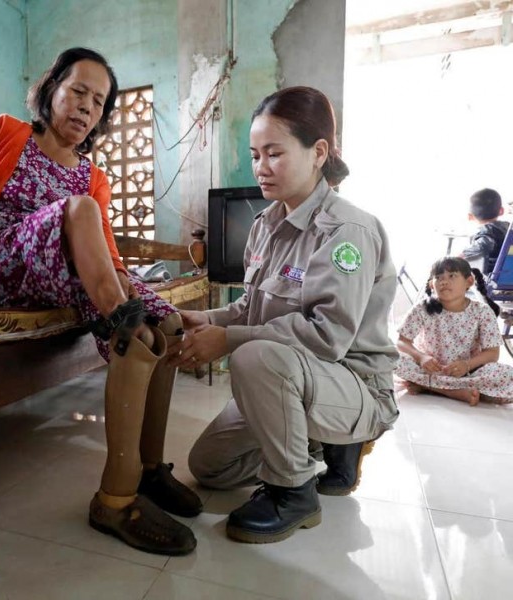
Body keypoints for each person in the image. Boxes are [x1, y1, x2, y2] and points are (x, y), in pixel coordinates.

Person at [0, 48, 200, 556]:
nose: (86, 107)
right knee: (90, 231)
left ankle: (143, 473)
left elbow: (107, 254)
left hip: (64, 272)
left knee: (168, 326)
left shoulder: (93, 176)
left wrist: (130, 287)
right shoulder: (5, 132)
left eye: (98, 101)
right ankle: (116, 496)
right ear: (51, 91)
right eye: (78, 91)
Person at [167, 86, 399, 544]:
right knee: (210, 467)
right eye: (255, 155)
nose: (261, 167)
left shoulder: (347, 231)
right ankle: (316, 443)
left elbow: (326, 337)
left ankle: (293, 493)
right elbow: (249, 308)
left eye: (274, 153)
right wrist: (210, 321)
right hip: (293, 379)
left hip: (352, 383)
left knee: (254, 356)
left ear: (318, 153)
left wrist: (228, 341)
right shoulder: (266, 225)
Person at [395, 256, 513, 405]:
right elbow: (402, 342)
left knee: (507, 374)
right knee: (390, 357)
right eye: (438, 277)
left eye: (452, 276)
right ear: (432, 285)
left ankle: (426, 386)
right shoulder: (422, 308)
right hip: (427, 369)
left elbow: (492, 353)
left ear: (469, 281)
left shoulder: (482, 311)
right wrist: (421, 357)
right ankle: (452, 391)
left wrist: (467, 365)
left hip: (469, 372)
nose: (444, 281)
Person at [460, 188, 509, 275]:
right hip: (508, 276)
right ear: (501, 211)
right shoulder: (508, 228)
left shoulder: (487, 230)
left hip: (490, 277)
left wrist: (463, 254)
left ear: (470, 216)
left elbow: (484, 245)